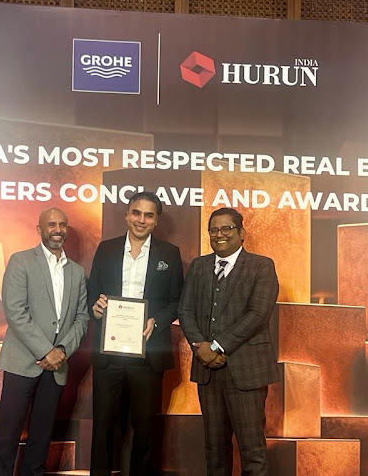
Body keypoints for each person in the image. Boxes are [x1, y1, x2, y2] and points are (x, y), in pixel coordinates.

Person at [88, 191, 184, 476]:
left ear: (157, 221)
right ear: (127, 215)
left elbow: (177, 301)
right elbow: (92, 293)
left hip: (147, 354)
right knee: (103, 427)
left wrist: (157, 321)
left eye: (148, 215)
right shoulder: (106, 249)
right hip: (109, 353)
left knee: (145, 429)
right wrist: (96, 308)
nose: (141, 220)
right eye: (136, 213)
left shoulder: (170, 254)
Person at [178, 207, 280, 476]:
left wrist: (216, 346)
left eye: (226, 228)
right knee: (214, 450)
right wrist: (200, 347)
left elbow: (258, 314)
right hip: (207, 371)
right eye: (213, 230)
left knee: (252, 450)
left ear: (241, 233)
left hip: (247, 371)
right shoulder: (199, 266)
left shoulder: (262, 265)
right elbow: (185, 311)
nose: (219, 234)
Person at [0, 208, 89, 476]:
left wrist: (62, 351)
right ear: (39, 229)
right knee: (8, 437)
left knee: (41, 438)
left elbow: (82, 318)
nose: (57, 230)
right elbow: (15, 312)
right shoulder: (21, 261)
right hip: (22, 361)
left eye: (62, 225)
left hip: (57, 367)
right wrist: (47, 351)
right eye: (51, 224)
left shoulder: (77, 272)